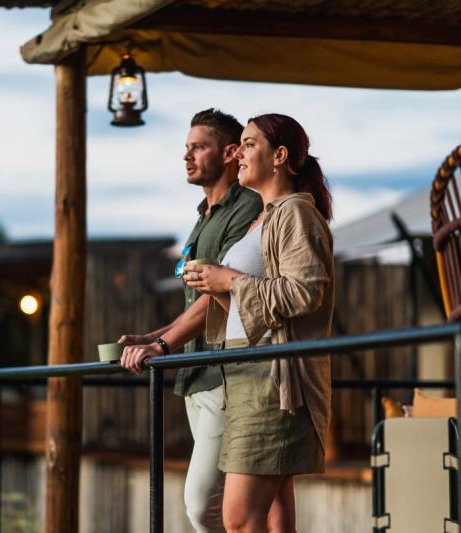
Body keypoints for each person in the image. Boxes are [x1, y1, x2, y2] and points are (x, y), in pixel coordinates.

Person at [183, 113, 334, 533]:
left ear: (279, 156)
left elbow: (305, 293)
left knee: (237, 518)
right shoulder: (263, 219)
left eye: (249, 145)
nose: (239, 152)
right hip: (248, 376)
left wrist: (228, 279)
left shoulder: (295, 215)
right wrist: (215, 287)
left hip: (274, 382)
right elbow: (255, 306)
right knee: (271, 513)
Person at [119, 108, 262, 532]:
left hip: (227, 373)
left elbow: (222, 293)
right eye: (186, 148)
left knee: (203, 506)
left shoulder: (248, 206)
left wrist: (163, 347)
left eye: (199, 147)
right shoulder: (205, 215)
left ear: (230, 153)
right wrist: (155, 335)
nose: (187, 156)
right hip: (194, 375)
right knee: (225, 510)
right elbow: (197, 301)